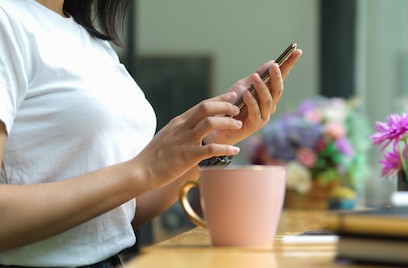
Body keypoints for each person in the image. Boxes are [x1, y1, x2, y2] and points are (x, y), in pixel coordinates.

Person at [0, 0, 303, 267]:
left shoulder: (89, 40)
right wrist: (144, 168)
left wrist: (211, 141)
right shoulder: (8, 20)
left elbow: (124, 213)